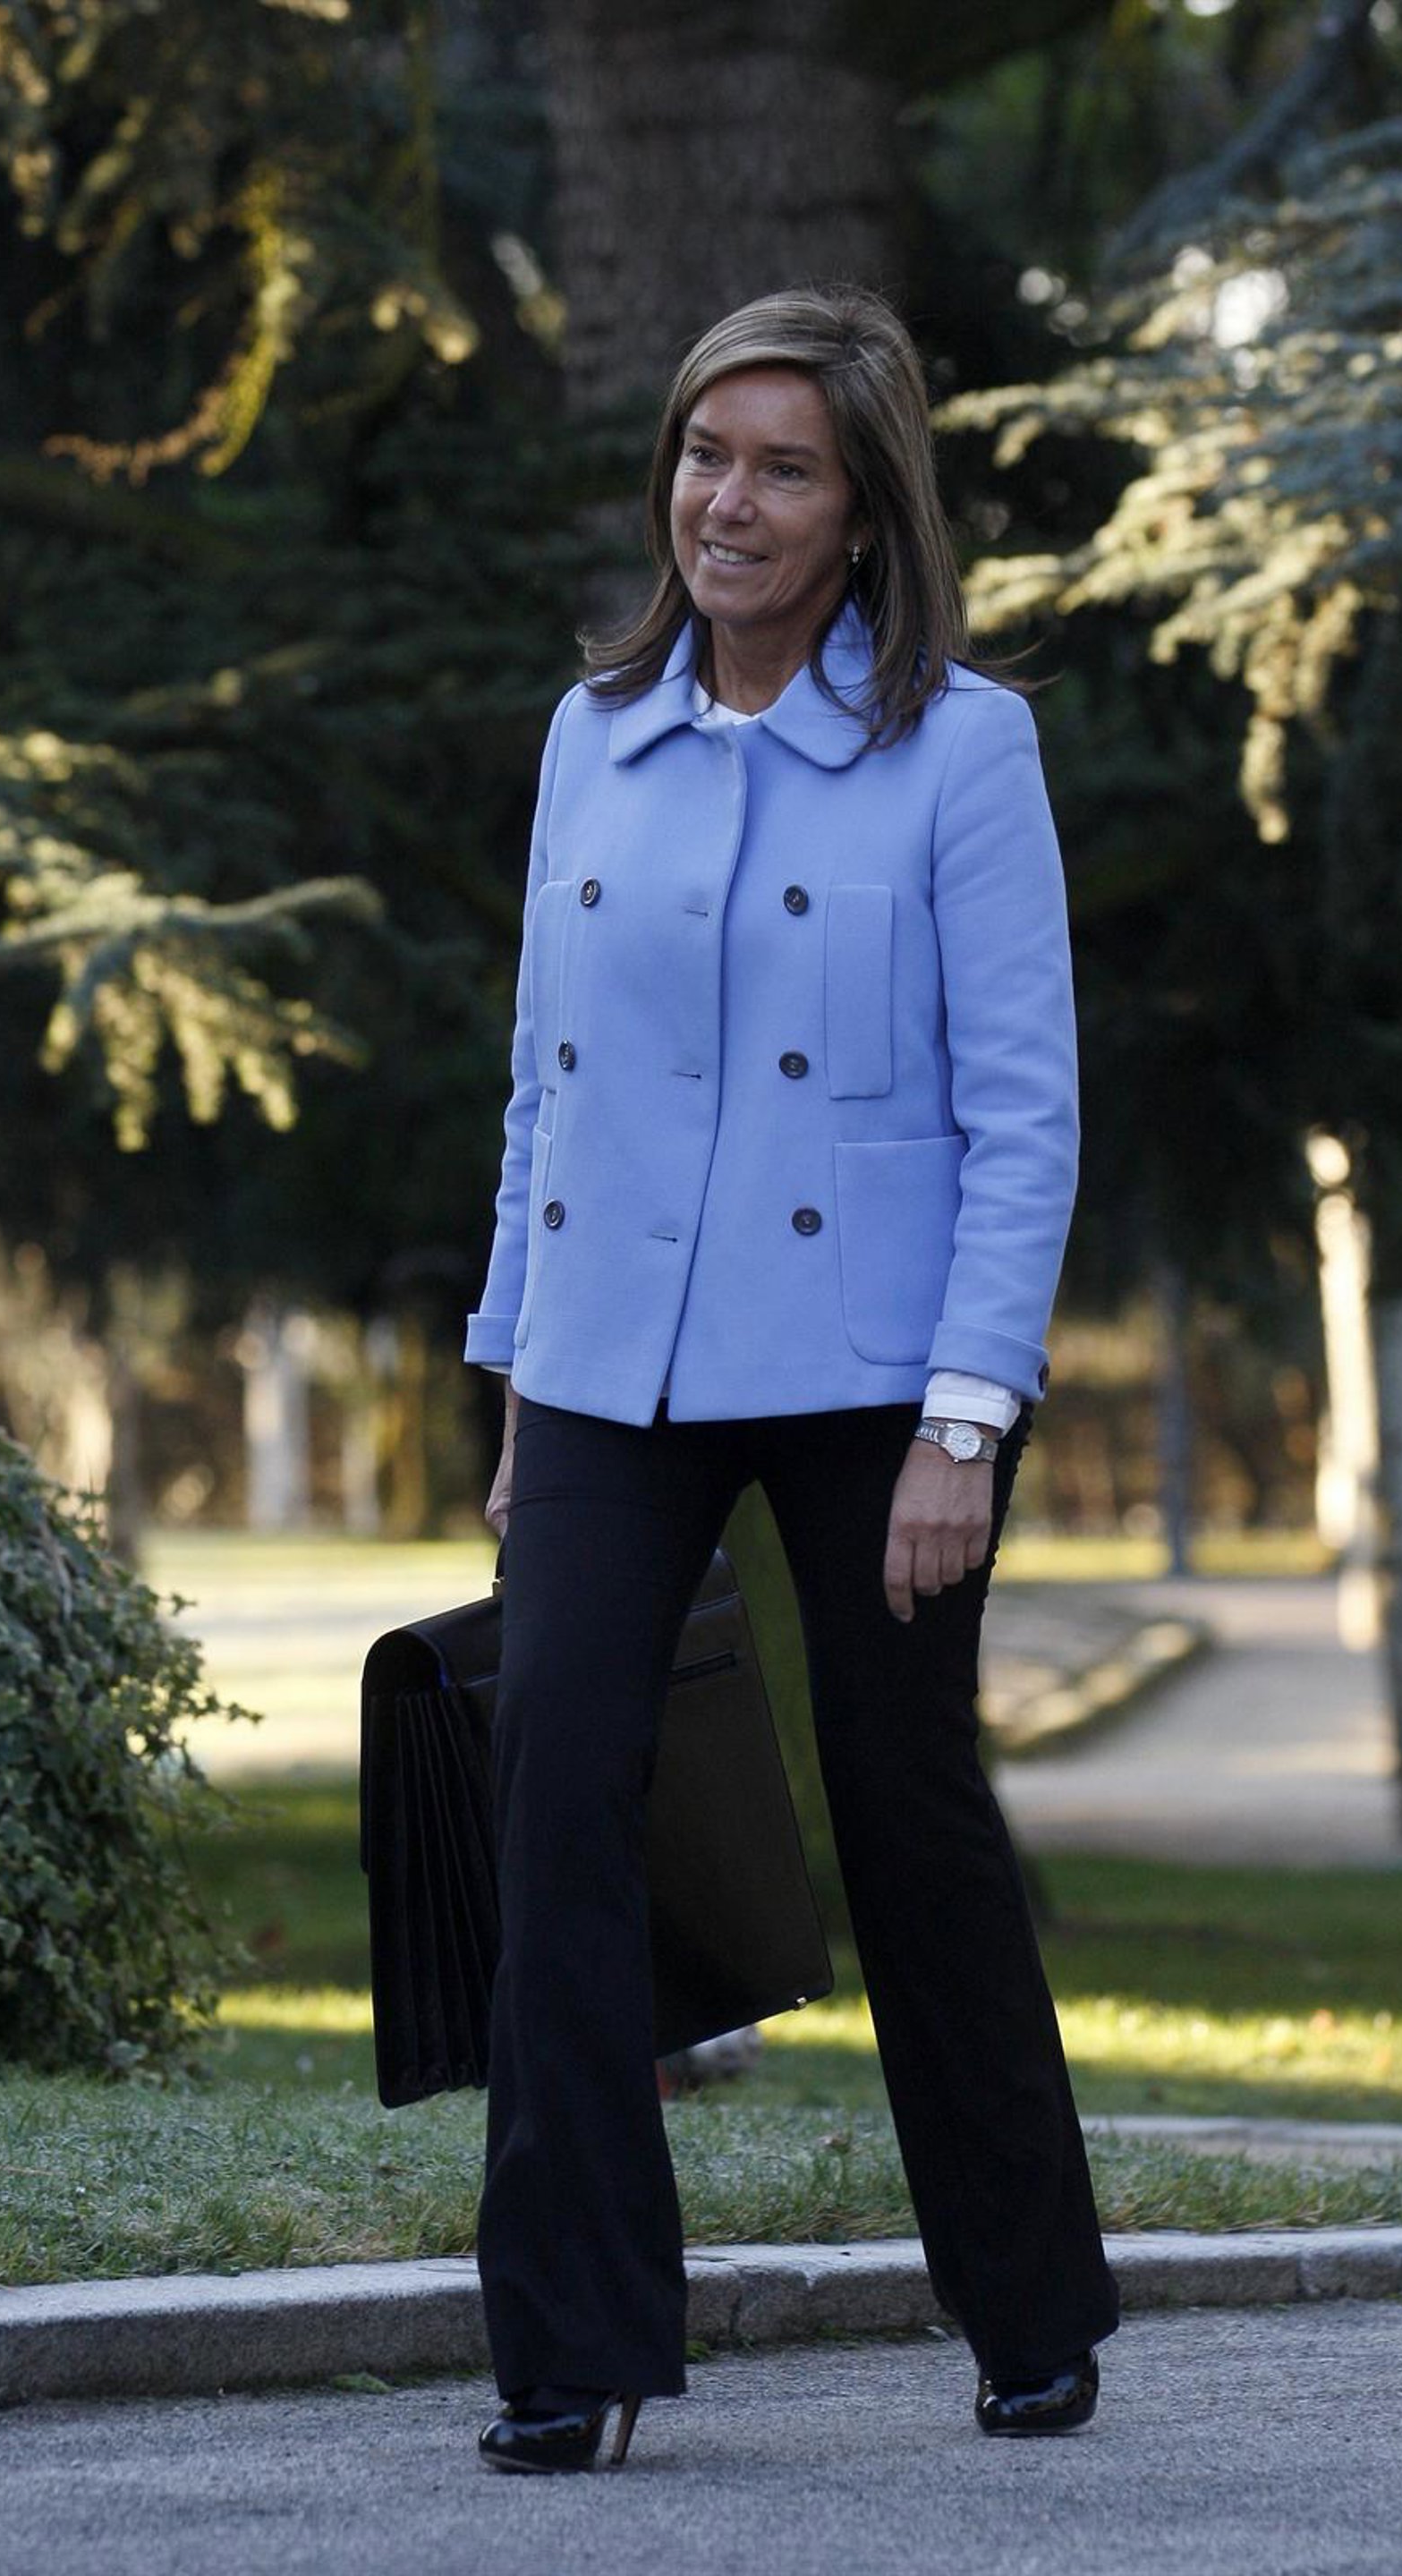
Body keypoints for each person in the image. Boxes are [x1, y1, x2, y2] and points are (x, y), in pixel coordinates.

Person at [462, 284, 1119, 2476]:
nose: (726, 502)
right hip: (607, 1366)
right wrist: (517, 1374)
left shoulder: (964, 749)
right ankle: (571, 2350)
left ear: (863, 513)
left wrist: (969, 1419)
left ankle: (1030, 2309)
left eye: (782, 469)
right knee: (553, 1786)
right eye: (703, 455)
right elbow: (546, 1090)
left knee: (911, 1816)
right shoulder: (594, 729)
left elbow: (1022, 1115)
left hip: (873, 1378)